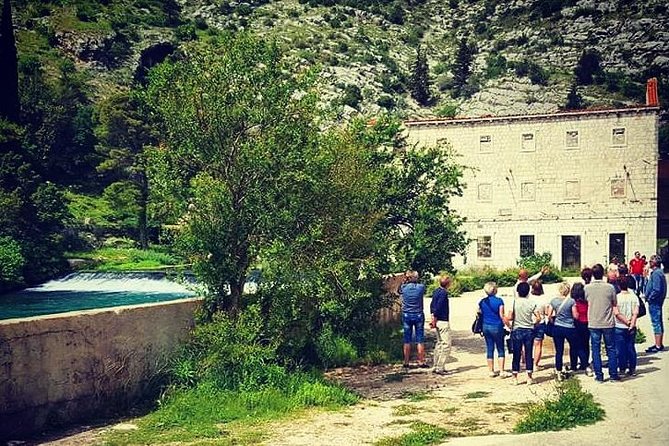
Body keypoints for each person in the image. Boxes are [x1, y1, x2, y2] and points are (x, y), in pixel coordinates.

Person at [585, 263, 620, 382]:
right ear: (603, 273)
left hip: (594, 321)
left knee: (595, 349)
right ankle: (614, 374)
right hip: (608, 321)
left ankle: (599, 375)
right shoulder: (610, 287)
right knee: (611, 348)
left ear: (593, 275)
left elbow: (586, 301)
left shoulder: (587, 288)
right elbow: (614, 302)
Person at [507, 282, 540, 385]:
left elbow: (510, 317)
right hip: (529, 330)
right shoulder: (532, 303)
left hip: (517, 329)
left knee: (516, 354)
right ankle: (529, 377)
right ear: (528, 292)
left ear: (517, 291)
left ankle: (514, 377)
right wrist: (534, 324)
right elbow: (538, 317)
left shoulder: (514, 302)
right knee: (528, 353)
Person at [477, 282, 510, 378]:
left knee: (489, 348)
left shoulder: (482, 301)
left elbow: (478, 312)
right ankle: (502, 371)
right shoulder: (499, 301)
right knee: (500, 348)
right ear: (495, 290)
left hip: (485, 326)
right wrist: (509, 325)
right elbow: (502, 315)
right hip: (497, 326)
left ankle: (491, 371)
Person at [548, 282, 578, 381]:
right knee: (573, 347)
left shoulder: (554, 301)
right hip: (569, 327)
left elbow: (549, 315)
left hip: (558, 327)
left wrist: (554, 321)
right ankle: (573, 366)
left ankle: (559, 371)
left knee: (559, 351)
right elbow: (575, 315)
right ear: (568, 290)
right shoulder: (571, 301)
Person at [400, 270, 427, 368]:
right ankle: (421, 361)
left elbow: (399, 290)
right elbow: (424, 290)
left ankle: (406, 362)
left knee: (407, 339)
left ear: (408, 278)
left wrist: (405, 280)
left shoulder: (403, 287)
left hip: (407, 314)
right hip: (418, 314)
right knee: (420, 339)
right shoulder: (421, 287)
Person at [614, 275, 639, 376]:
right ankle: (632, 369)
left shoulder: (617, 297)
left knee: (620, 350)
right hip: (631, 326)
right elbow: (636, 312)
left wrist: (626, 322)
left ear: (619, 285)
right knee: (631, 348)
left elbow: (616, 313)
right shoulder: (634, 297)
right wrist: (632, 323)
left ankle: (622, 369)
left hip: (619, 326)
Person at [644, 254, 667, 353]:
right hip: (657, 301)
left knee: (656, 322)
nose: (649, 263)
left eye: (650, 261)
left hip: (655, 302)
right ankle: (659, 343)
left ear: (654, 263)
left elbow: (657, 289)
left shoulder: (657, 273)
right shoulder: (658, 272)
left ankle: (658, 345)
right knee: (658, 322)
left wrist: (649, 297)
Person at [430, 275, 452, 375]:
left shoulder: (436, 291)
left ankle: (435, 365)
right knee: (446, 344)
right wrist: (435, 316)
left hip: (437, 320)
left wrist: (432, 317)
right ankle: (440, 367)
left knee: (439, 343)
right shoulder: (444, 293)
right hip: (442, 320)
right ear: (448, 284)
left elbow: (432, 305)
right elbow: (438, 307)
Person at [571, 282, 591, 374]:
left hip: (577, 324)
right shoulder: (587, 301)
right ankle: (585, 363)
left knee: (576, 345)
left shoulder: (574, 302)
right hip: (587, 323)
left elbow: (575, 315)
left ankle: (577, 364)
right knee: (586, 344)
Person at [529, 280, 550, 369]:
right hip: (540, 323)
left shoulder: (529, 298)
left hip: (529, 323)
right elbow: (546, 312)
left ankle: (526, 362)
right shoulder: (544, 299)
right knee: (538, 344)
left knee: (527, 343)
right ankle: (535, 364)